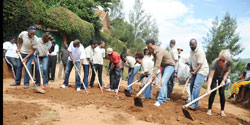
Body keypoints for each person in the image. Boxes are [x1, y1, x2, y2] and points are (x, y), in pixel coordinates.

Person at [145, 39, 176, 107]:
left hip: (170, 66)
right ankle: (164, 99)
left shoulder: (159, 51)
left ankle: (160, 100)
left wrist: (153, 77)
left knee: (163, 82)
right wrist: (153, 75)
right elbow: (155, 63)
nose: (149, 49)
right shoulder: (153, 51)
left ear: (154, 44)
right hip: (164, 66)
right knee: (164, 82)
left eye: (150, 47)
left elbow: (157, 65)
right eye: (148, 48)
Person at [206, 49, 232, 117]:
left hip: (222, 78)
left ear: (227, 60)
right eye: (220, 59)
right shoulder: (214, 63)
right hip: (214, 77)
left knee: (222, 93)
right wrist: (208, 89)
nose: (221, 61)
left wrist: (223, 80)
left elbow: (227, 71)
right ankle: (209, 109)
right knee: (213, 91)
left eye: (223, 60)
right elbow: (211, 77)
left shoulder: (229, 62)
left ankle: (222, 111)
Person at [188, 38, 209, 110]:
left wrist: (194, 72)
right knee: (191, 86)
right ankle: (192, 102)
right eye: (190, 45)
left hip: (202, 70)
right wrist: (191, 70)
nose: (191, 46)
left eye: (193, 45)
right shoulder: (191, 51)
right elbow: (191, 62)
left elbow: (200, 64)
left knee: (196, 86)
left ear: (196, 44)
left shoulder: (200, 52)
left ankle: (195, 105)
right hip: (195, 70)